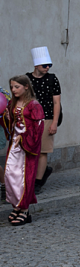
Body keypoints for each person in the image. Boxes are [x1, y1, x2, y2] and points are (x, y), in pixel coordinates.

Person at [1, 75, 44, 226]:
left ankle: (25, 209)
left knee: (25, 176)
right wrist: (7, 118)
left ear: (26, 86)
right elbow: (10, 123)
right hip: (15, 142)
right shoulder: (12, 103)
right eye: (12, 87)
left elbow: (38, 127)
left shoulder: (34, 105)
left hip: (28, 145)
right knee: (10, 173)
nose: (13, 90)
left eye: (16, 87)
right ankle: (16, 205)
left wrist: (25, 137)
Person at [26, 46, 61, 193]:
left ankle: (38, 182)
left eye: (49, 65)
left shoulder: (52, 79)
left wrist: (54, 122)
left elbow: (56, 102)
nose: (47, 68)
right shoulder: (26, 79)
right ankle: (33, 176)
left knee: (42, 151)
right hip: (30, 118)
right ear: (36, 65)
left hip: (46, 117)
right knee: (29, 150)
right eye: (44, 65)